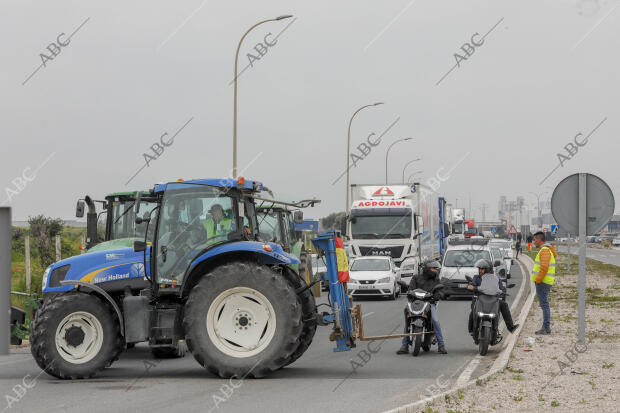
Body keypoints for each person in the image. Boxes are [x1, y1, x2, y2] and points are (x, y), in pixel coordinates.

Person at [396, 260, 447, 355]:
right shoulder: (416, 278)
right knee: (408, 320)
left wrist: (438, 295)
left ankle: (441, 345)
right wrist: (409, 293)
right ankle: (404, 345)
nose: (435, 271)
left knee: (435, 320)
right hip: (415, 303)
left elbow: (440, 291)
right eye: (433, 268)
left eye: (436, 269)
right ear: (427, 269)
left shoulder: (436, 280)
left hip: (429, 303)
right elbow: (411, 289)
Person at [467, 259, 519, 336]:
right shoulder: (476, 277)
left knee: (504, 304)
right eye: (480, 269)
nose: (480, 271)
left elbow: (501, 288)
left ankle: (511, 327)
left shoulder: (495, 278)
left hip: (492, 300)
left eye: (482, 269)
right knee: (473, 310)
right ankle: (472, 329)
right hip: (480, 299)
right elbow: (472, 285)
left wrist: (503, 292)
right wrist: (470, 287)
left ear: (488, 270)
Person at [532, 231, 557, 335]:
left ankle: (546, 328)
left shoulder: (545, 251)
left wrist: (538, 280)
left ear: (539, 239)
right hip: (544, 281)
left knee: (544, 305)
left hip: (543, 282)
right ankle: (546, 327)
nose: (534, 242)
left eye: (534, 240)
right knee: (544, 304)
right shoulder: (544, 250)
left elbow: (544, 267)